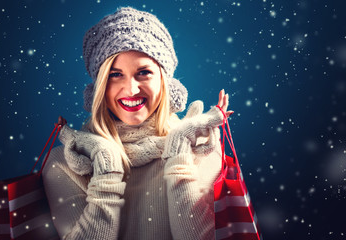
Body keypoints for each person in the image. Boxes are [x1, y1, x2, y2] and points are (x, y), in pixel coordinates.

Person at [42, 7, 233, 240]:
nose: (131, 89)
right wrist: (106, 167)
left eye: (143, 72)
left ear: (164, 81)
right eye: (114, 74)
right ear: (99, 86)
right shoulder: (65, 163)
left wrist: (179, 153)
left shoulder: (201, 149)